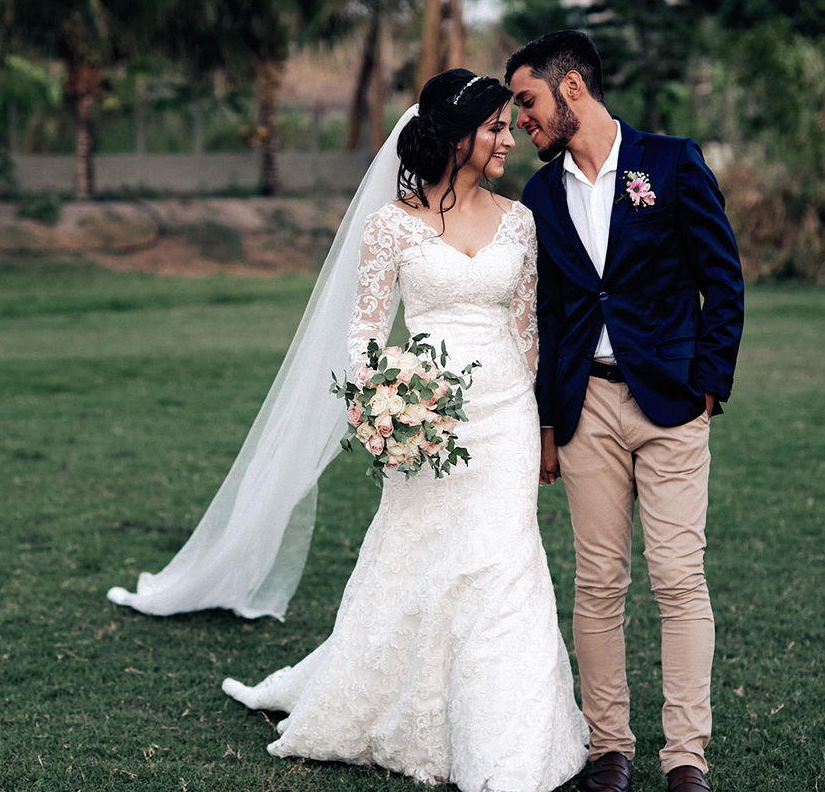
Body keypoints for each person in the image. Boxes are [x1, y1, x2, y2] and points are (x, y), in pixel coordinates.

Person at [220, 69, 588, 792]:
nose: (508, 138)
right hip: (426, 424)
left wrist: (536, 419)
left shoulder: (520, 221)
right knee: (417, 561)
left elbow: (528, 333)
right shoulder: (392, 223)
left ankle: (505, 743)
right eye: (494, 127)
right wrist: (387, 403)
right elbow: (363, 334)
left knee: (502, 565)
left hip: (506, 416)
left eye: (511, 125)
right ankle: (385, 706)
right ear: (456, 136)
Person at [505, 31, 744, 792]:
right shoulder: (538, 197)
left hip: (672, 402)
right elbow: (545, 311)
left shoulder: (671, 162)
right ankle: (609, 748)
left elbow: (723, 278)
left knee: (679, 578)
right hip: (586, 408)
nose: (520, 122)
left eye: (527, 101)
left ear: (572, 87)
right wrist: (548, 419)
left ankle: (686, 758)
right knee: (599, 581)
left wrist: (708, 381)